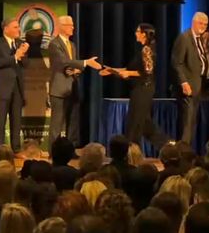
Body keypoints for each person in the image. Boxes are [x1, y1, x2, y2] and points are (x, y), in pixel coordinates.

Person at [100, 23, 169, 150]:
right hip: (140, 88)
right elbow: (130, 70)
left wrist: (128, 73)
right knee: (144, 123)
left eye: (138, 31)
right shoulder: (144, 49)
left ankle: (131, 152)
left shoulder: (147, 49)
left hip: (144, 89)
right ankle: (167, 146)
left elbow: (147, 71)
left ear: (144, 34)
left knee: (135, 122)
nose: (135, 33)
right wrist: (112, 71)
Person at [47, 15, 100, 147]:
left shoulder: (72, 45)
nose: (73, 27)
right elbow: (62, 62)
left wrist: (74, 70)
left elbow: (69, 64)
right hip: (59, 88)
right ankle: (54, 151)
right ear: (61, 27)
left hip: (73, 86)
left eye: (72, 25)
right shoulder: (54, 44)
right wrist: (86, 62)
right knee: (57, 122)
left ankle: (71, 149)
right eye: (70, 25)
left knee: (73, 122)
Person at [171, 12, 209, 143]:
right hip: (187, 88)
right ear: (193, 22)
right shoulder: (184, 38)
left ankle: (185, 150)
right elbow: (176, 63)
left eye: (206, 24)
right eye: (201, 23)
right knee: (187, 123)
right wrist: (183, 83)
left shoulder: (199, 39)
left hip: (198, 87)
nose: (203, 27)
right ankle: (183, 153)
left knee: (191, 123)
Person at [0, 18, 28, 152]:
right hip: (2, 88)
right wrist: (15, 56)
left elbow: (26, 65)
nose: (18, 29)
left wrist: (23, 53)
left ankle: (16, 150)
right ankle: (0, 151)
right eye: (15, 27)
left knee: (16, 121)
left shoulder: (20, 43)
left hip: (17, 87)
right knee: (0, 122)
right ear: (6, 28)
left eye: (18, 27)